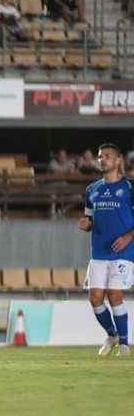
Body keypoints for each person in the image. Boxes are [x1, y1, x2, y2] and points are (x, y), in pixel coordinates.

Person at [78, 143, 133, 357]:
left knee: (115, 296)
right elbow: (89, 219)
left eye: (107, 156)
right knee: (95, 298)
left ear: (118, 160)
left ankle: (125, 344)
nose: (102, 159)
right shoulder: (92, 190)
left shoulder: (130, 188)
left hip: (124, 251)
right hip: (99, 252)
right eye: (100, 156)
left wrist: (129, 236)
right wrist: (86, 225)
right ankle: (112, 335)